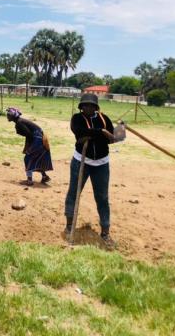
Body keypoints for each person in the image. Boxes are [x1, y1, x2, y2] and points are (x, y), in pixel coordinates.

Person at [64, 93, 115, 246]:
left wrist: (110, 133)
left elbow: (114, 138)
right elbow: (79, 132)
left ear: (95, 107)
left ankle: (105, 231)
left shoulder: (104, 119)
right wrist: (101, 132)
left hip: (101, 163)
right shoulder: (77, 118)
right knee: (74, 192)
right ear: (81, 107)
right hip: (81, 161)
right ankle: (69, 225)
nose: (88, 108)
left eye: (91, 105)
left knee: (102, 197)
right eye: (85, 105)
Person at [6, 107, 53, 186]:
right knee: (37, 157)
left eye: (9, 114)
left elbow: (29, 135)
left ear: (13, 116)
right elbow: (29, 135)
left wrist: (29, 148)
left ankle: (29, 180)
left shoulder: (19, 123)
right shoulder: (19, 122)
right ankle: (44, 176)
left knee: (28, 158)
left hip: (37, 139)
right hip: (39, 137)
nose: (7, 116)